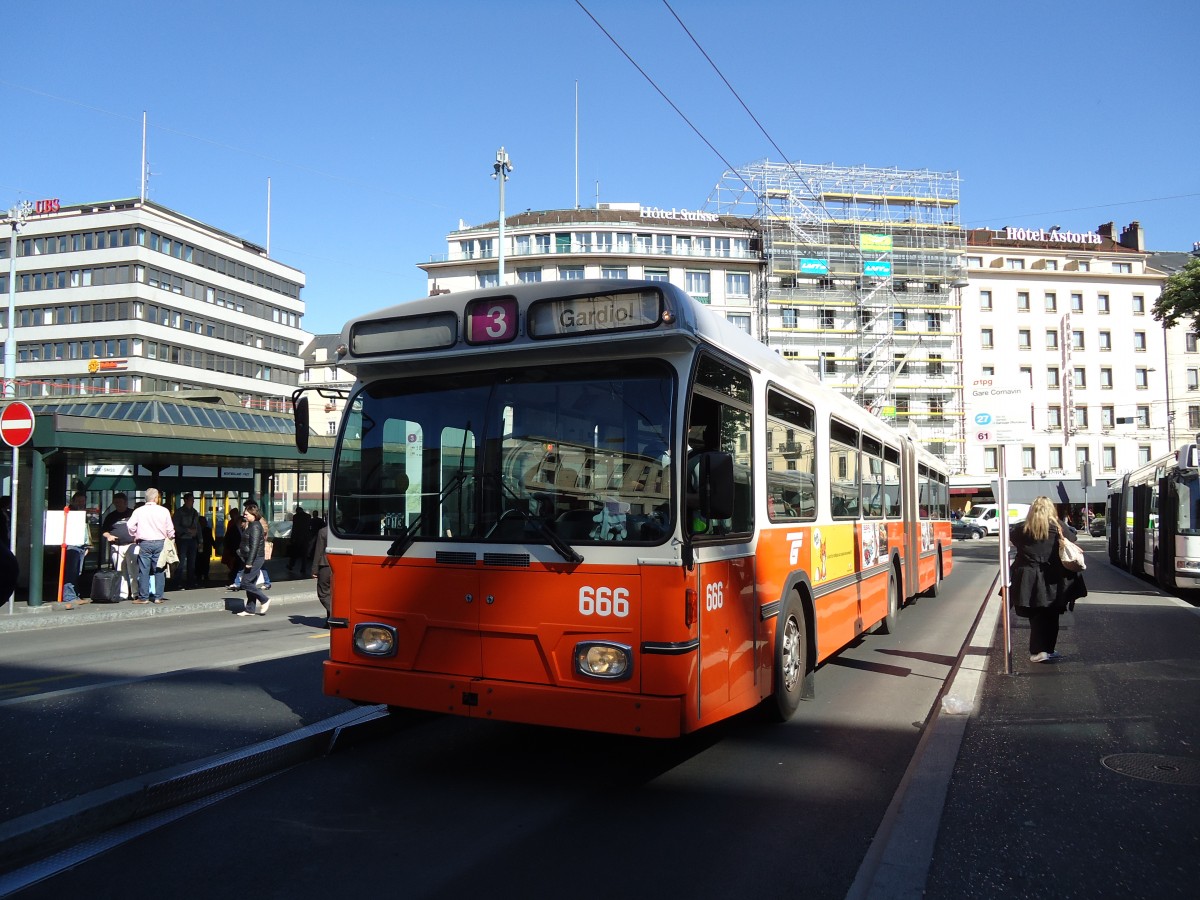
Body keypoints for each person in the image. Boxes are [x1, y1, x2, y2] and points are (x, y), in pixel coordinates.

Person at [1008, 495, 1087, 663]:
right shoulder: (1058, 527)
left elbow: (1013, 540)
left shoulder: (1021, 529)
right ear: (1051, 510)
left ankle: (1040, 650)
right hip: (1053, 578)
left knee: (1035, 615)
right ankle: (1044, 650)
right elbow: (1073, 538)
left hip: (1028, 577)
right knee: (1052, 614)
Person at [126, 487, 175, 605]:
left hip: (144, 542)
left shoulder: (139, 511)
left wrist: (135, 534)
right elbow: (170, 529)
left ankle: (144, 597)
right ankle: (158, 597)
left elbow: (130, 525)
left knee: (144, 570)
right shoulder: (164, 511)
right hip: (160, 542)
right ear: (156, 498)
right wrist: (171, 538)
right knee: (159, 569)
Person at [236, 501, 271, 617]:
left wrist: (250, 562)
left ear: (254, 515)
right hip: (251, 558)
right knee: (250, 582)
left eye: (246, 514)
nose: (244, 515)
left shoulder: (255, 526)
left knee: (245, 582)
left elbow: (254, 546)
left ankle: (264, 599)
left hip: (255, 559)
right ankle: (250, 609)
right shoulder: (251, 525)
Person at [101, 492, 136, 600]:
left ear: (125, 502)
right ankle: (123, 594)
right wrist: (109, 536)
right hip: (117, 546)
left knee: (133, 571)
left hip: (132, 545)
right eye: (116, 502)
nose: (118, 505)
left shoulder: (132, 514)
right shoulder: (111, 516)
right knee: (120, 571)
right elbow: (104, 531)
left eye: (120, 502)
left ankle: (135, 593)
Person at [61, 490, 92, 608]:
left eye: (83, 501)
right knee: (71, 571)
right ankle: (69, 596)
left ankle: (75, 595)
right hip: (72, 544)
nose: (81, 503)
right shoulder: (70, 512)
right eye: (78, 501)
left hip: (81, 545)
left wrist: (87, 544)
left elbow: (85, 529)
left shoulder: (82, 512)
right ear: (73, 501)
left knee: (77, 572)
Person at [172, 492, 201, 589]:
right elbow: (175, 526)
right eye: (191, 500)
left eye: (193, 500)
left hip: (193, 540)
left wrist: (200, 540)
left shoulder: (195, 512)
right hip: (183, 540)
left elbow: (198, 526)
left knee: (192, 562)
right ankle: (177, 582)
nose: (193, 502)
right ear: (185, 500)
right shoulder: (179, 512)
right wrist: (187, 530)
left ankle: (191, 582)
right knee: (181, 562)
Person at [312, 523, 331, 627]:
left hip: (325, 564)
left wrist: (314, 569)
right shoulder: (343, 531)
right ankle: (329, 621)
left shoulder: (323, 531)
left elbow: (319, 551)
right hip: (340, 564)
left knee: (323, 593)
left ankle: (335, 613)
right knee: (332, 594)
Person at [287, 506, 311, 575]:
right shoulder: (308, 516)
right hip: (306, 537)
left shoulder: (296, 517)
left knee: (294, 553)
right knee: (304, 554)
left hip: (297, 538)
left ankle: (291, 565)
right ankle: (303, 568)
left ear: (297, 511)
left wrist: (292, 538)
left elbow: (294, 528)